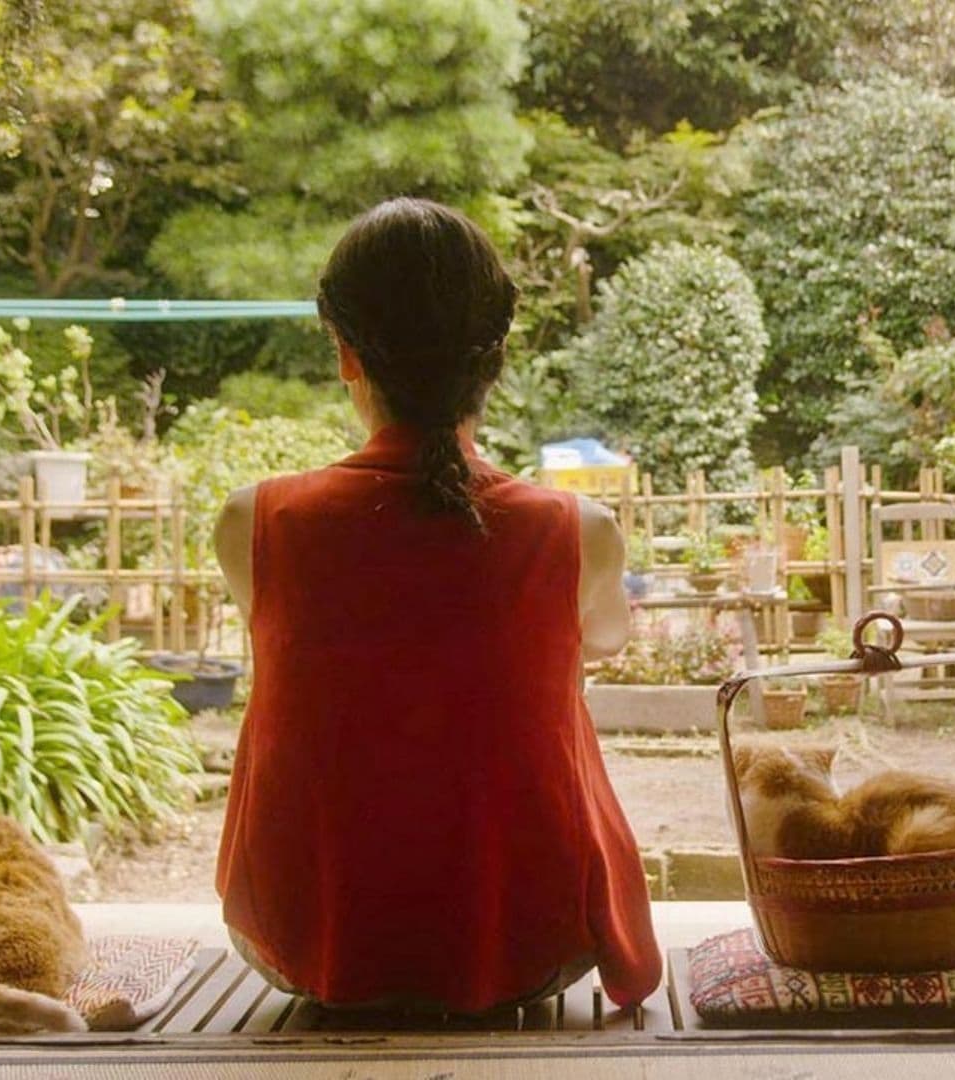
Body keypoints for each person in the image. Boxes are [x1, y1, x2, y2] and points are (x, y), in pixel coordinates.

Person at [211, 197, 661, 1015]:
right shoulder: (579, 531)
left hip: (303, 945)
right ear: (494, 360)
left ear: (346, 354)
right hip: (535, 947)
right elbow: (604, 640)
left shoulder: (256, 522)